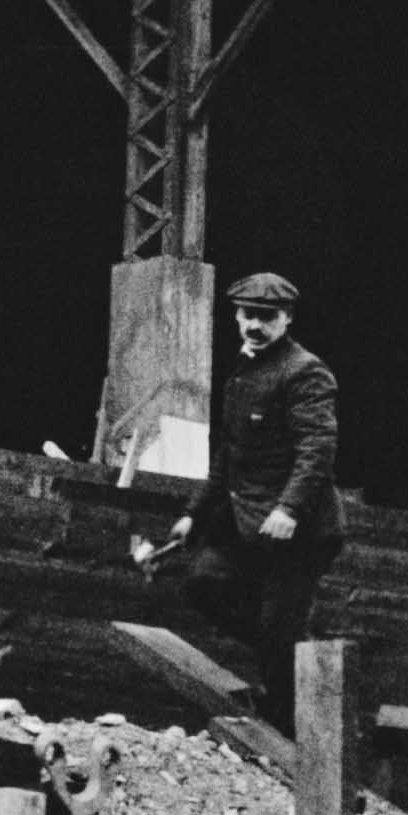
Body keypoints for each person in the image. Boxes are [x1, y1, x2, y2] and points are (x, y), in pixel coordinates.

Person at [134, 272, 340, 709]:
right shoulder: (244, 373)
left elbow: (317, 448)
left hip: (299, 532)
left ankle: (286, 713)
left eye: (267, 317)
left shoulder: (304, 371)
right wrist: (193, 513)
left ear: (287, 318)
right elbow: (229, 455)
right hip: (248, 522)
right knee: (202, 586)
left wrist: (289, 509)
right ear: (237, 316)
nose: (255, 325)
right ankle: (300, 656)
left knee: (278, 629)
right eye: (248, 315)